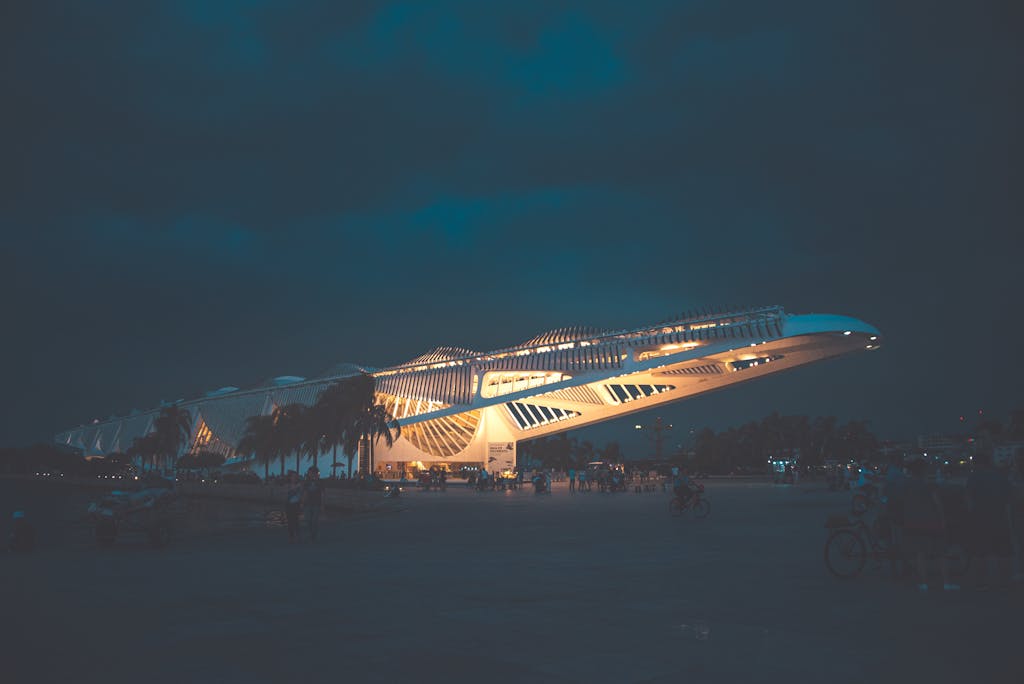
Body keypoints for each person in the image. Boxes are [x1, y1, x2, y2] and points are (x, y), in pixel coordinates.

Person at [902, 459, 957, 591]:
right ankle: (946, 582)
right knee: (941, 552)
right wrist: (943, 520)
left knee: (920, 553)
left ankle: (923, 583)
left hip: (914, 522)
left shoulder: (906, 485)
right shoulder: (929, 484)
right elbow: (938, 503)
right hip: (932, 521)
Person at [965, 450, 1013, 590]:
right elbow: (1009, 497)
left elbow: (968, 500)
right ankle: (1005, 581)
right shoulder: (1000, 476)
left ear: (976, 463)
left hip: (980, 518)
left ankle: (982, 582)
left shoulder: (973, 478)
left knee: (980, 553)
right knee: (1003, 552)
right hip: (1000, 517)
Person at [302, 467, 325, 542]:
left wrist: (322, 504)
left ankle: (313, 535)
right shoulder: (306, 482)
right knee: (308, 520)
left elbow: (322, 494)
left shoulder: (320, 482)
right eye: (310, 473)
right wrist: (303, 503)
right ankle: (311, 534)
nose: (311, 474)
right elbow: (304, 493)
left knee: (314, 520)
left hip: (316, 504)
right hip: (307, 504)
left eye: (312, 473)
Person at [284, 471, 303, 544]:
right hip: (289, 504)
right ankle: (291, 537)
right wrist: (294, 488)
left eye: (296, 476)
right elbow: (285, 493)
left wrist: (301, 503)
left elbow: (300, 494)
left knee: (296, 521)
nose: (294, 478)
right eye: (293, 476)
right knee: (290, 521)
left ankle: (297, 536)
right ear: (290, 477)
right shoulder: (288, 485)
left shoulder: (299, 485)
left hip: (296, 504)